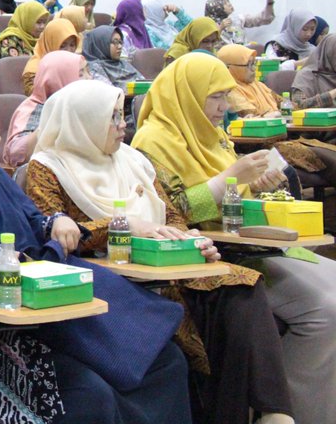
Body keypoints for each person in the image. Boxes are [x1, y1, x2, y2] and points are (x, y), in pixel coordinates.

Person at [0, 90, 190, 424]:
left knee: (166, 360)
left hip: (47, 298)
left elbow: (33, 221)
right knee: (89, 395)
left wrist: (56, 223)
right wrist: (13, 261)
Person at [25, 80, 293, 424]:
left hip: (165, 266)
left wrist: (191, 240)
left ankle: (270, 412)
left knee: (241, 286)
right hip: (112, 280)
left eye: (122, 115)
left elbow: (171, 215)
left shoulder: (133, 160)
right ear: (83, 121)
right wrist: (122, 225)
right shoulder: (47, 167)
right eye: (111, 118)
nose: (123, 125)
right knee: (206, 316)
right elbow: (52, 234)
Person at [134, 53, 336, 424]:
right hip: (214, 255)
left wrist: (253, 185)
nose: (223, 107)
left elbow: (232, 198)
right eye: (215, 97)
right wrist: (232, 177)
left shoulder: (212, 134)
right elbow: (171, 213)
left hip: (250, 240)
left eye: (226, 97)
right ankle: (292, 412)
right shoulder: (152, 143)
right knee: (327, 308)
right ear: (188, 94)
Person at [221, 43, 336, 187]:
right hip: (260, 146)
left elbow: (291, 107)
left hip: (284, 138)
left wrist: (279, 113)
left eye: (254, 63)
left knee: (328, 152)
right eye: (248, 65)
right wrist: (273, 115)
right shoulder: (230, 91)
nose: (254, 69)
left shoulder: (259, 86)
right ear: (230, 68)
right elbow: (252, 118)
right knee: (325, 159)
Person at [3, 51, 85, 168]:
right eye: (81, 74)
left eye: (87, 71)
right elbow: (16, 153)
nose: (89, 78)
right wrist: (53, 123)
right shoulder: (35, 108)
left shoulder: (83, 105)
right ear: (57, 79)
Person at [203, 0, 277, 46]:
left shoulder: (237, 19)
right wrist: (220, 29)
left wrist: (269, 3)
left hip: (244, 55)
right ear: (217, 8)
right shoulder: (209, 27)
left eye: (228, 1)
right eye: (225, 3)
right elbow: (209, 45)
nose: (229, 4)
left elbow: (263, 19)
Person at [22, 17, 80, 95]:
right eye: (62, 46)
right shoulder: (34, 70)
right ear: (50, 44)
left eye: (72, 45)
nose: (68, 50)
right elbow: (38, 98)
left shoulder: (78, 64)